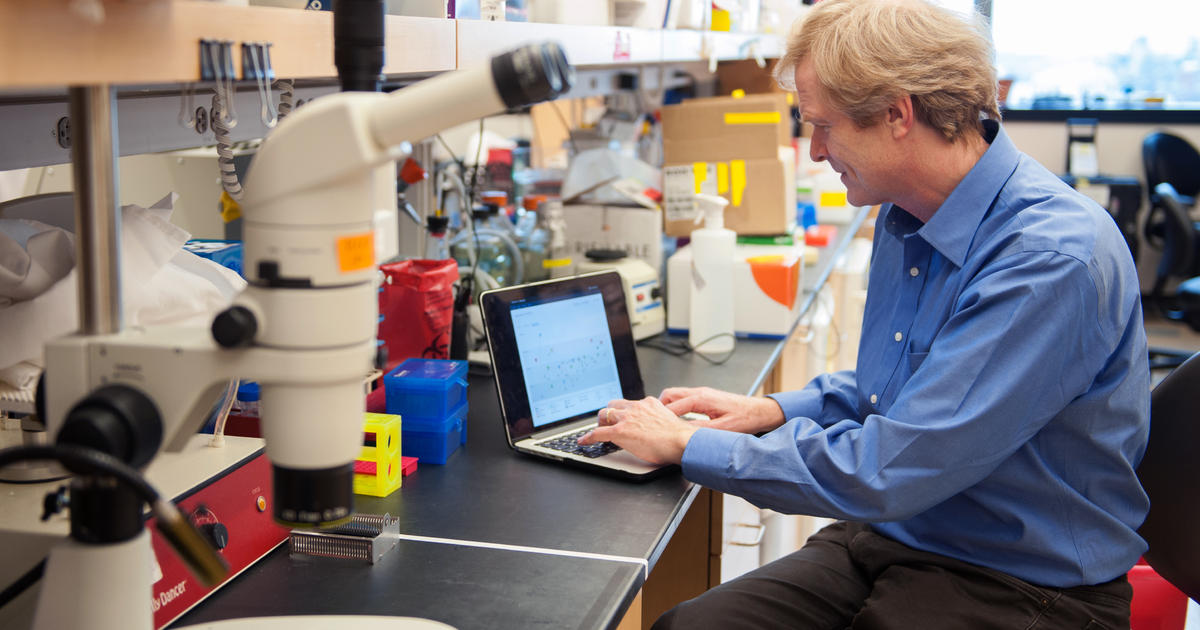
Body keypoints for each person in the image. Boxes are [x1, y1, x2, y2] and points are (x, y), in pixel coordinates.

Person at [578, 0, 1151, 627]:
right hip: (902, 534)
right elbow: (911, 390)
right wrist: (772, 411)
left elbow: (894, 464)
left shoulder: (1048, 259)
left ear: (896, 115)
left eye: (823, 126)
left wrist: (692, 443)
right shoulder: (906, 215)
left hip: (1023, 581)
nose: (815, 150)